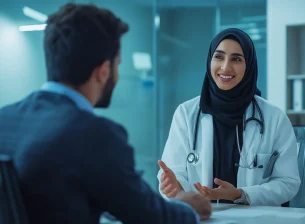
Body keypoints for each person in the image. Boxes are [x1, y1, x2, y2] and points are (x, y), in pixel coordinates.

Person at [0, 3, 211, 224]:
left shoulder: (4, 120)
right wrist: (188, 207)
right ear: (103, 71)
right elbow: (151, 217)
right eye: (117, 65)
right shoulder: (94, 135)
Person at [157, 28, 301, 206]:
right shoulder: (186, 114)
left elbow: (288, 183)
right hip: (203, 217)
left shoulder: (274, 118)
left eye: (236, 59)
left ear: (248, 64)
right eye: (219, 57)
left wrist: (240, 194)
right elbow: (175, 172)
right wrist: (175, 187)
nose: (225, 67)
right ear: (210, 60)